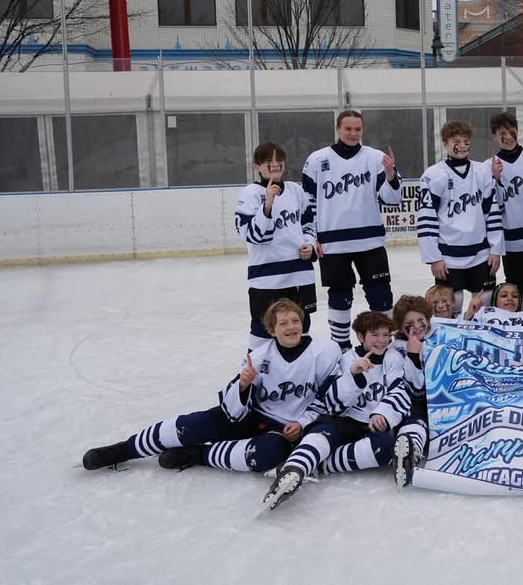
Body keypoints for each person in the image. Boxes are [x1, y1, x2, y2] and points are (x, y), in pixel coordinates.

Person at [80, 299, 341, 474]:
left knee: (264, 456)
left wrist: (304, 424)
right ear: (272, 331)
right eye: (283, 323)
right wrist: (243, 385)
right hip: (255, 417)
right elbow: (232, 412)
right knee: (190, 426)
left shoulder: (325, 351)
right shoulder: (260, 357)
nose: (291, 327)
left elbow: (329, 400)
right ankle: (123, 449)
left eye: (295, 321)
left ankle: (198, 455)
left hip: (286, 429)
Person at [263, 311, 411, 509]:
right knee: (322, 433)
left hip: (369, 425)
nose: (382, 341)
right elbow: (331, 403)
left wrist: (382, 413)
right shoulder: (346, 359)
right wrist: (353, 375)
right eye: (375, 335)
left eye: (386, 335)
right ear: (360, 336)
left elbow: (399, 391)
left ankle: (319, 465)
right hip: (344, 420)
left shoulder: (393, 359)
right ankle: (294, 469)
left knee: (385, 446)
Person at [302, 110, 402, 349]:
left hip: (371, 243)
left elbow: (392, 199)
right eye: (348, 129)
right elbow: (307, 202)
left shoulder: (376, 157)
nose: (353, 133)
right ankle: (341, 348)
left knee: (381, 296)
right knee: (339, 297)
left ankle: (383, 344)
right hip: (332, 243)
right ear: (338, 129)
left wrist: (390, 175)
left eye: (357, 129)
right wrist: (311, 235)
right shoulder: (317, 159)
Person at [233, 142, 317, 346]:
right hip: (266, 280)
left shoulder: (296, 191)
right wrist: (267, 204)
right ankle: (253, 378)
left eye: (279, 160)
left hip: (299, 276)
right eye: (268, 161)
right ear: (257, 166)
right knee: (263, 335)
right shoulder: (251, 194)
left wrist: (309, 245)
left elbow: (309, 224)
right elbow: (254, 236)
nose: (275, 164)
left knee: (300, 332)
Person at [417, 120, 504, 315]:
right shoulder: (433, 175)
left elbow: (492, 212)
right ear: (445, 143)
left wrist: (496, 249)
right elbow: (426, 219)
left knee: (484, 307)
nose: (463, 145)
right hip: (448, 257)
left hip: (481, 254)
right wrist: (434, 258)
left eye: (466, 141)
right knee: (449, 308)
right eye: (457, 141)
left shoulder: (482, 171)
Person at [490, 111, 523, 305]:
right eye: (502, 133)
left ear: (518, 130)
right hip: (512, 242)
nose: (508, 137)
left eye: (512, 131)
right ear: (494, 136)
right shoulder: (490, 166)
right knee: (517, 289)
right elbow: (492, 205)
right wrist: (496, 179)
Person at [391, 295, 432, 487]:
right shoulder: (395, 350)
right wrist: (413, 355)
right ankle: (408, 453)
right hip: (413, 405)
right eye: (410, 324)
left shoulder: (438, 336)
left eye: (420, 320)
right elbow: (415, 389)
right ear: (400, 328)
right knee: (417, 423)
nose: (417, 326)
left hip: (441, 402)